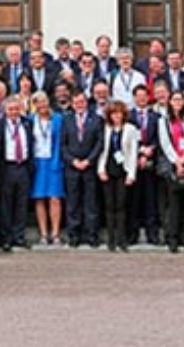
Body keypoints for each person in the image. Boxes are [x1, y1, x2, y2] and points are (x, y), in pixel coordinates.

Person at [0, 97, 34, 251]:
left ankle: (19, 236)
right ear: (5, 111)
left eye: (16, 109)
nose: (13, 112)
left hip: (23, 167)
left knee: (21, 203)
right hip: (6, 168)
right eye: (10, 109)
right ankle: (7, 238)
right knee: (6, 205)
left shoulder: (27, 124)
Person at [61, 90, 103, 248]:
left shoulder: (97, 120)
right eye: (76, 102)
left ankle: (91, 234)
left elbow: (100, 143)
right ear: (72, 104)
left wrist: (89, 160)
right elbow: (63, 145)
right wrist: (73, 161)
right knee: (73, 203)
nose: (80, 105)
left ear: (87, 103)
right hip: (72, 168)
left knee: (90, 203)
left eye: (82, 102)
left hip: (89, 167)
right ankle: (74, 235)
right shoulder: (67, 120)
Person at [158, 91, 184, 253]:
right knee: (173, 204)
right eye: (174, 99)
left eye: (180, 99)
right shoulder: (164, 121)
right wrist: (177, 161)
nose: (177, 102)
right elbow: (165, 144)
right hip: (172, 164)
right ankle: (173, 239)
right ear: (169, 102)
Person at [98, 101, 138, 252]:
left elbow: (133, 152)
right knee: (109, 205)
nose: (117, 116)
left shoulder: (130, 129)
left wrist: (131, 174)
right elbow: (102, 151)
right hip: (108, 169)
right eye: (114, 113)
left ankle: (122, 239)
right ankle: (111, 239)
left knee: (121, 205)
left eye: (119, 113)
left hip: (123, 170)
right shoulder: (105, 129)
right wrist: (101, 170)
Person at [29, 92, 65, 246]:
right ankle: (43, 233)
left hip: (54, 162)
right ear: (34, 105)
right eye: (38, 103)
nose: (42, 105)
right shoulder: (30, 120)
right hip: (38, 163)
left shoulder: (58, 119)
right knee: (39, 198)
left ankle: (55, 233)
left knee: (55, 198)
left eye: (44, 102)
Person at [126, 85, 160, 245]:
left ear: (148, 97)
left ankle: (152, 234)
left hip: (151, 163)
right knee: (133, 200)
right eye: (138, 96)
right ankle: (132, 234)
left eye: (144, 96)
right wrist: (140, 152)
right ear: (134, 98)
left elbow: (160, 138)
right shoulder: (128, 116)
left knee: (151, 200)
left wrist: (150, 150)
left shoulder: (156, 116)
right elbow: (127, 139)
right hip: (133, 163)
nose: (141, 99)